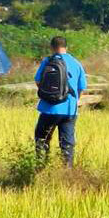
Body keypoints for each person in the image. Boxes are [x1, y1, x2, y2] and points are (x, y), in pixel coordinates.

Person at [34, 36, 87, 167]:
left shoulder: (47, 61)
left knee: (42, 139)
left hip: (49, 109)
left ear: (51, 47)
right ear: (66, 47)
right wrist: (74, 100)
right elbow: (82, 87)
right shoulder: (76, 63)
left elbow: (38, 81)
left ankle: (40, 167)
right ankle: (66, 170)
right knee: (67, 143)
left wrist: (48, 94)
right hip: (69, 110)